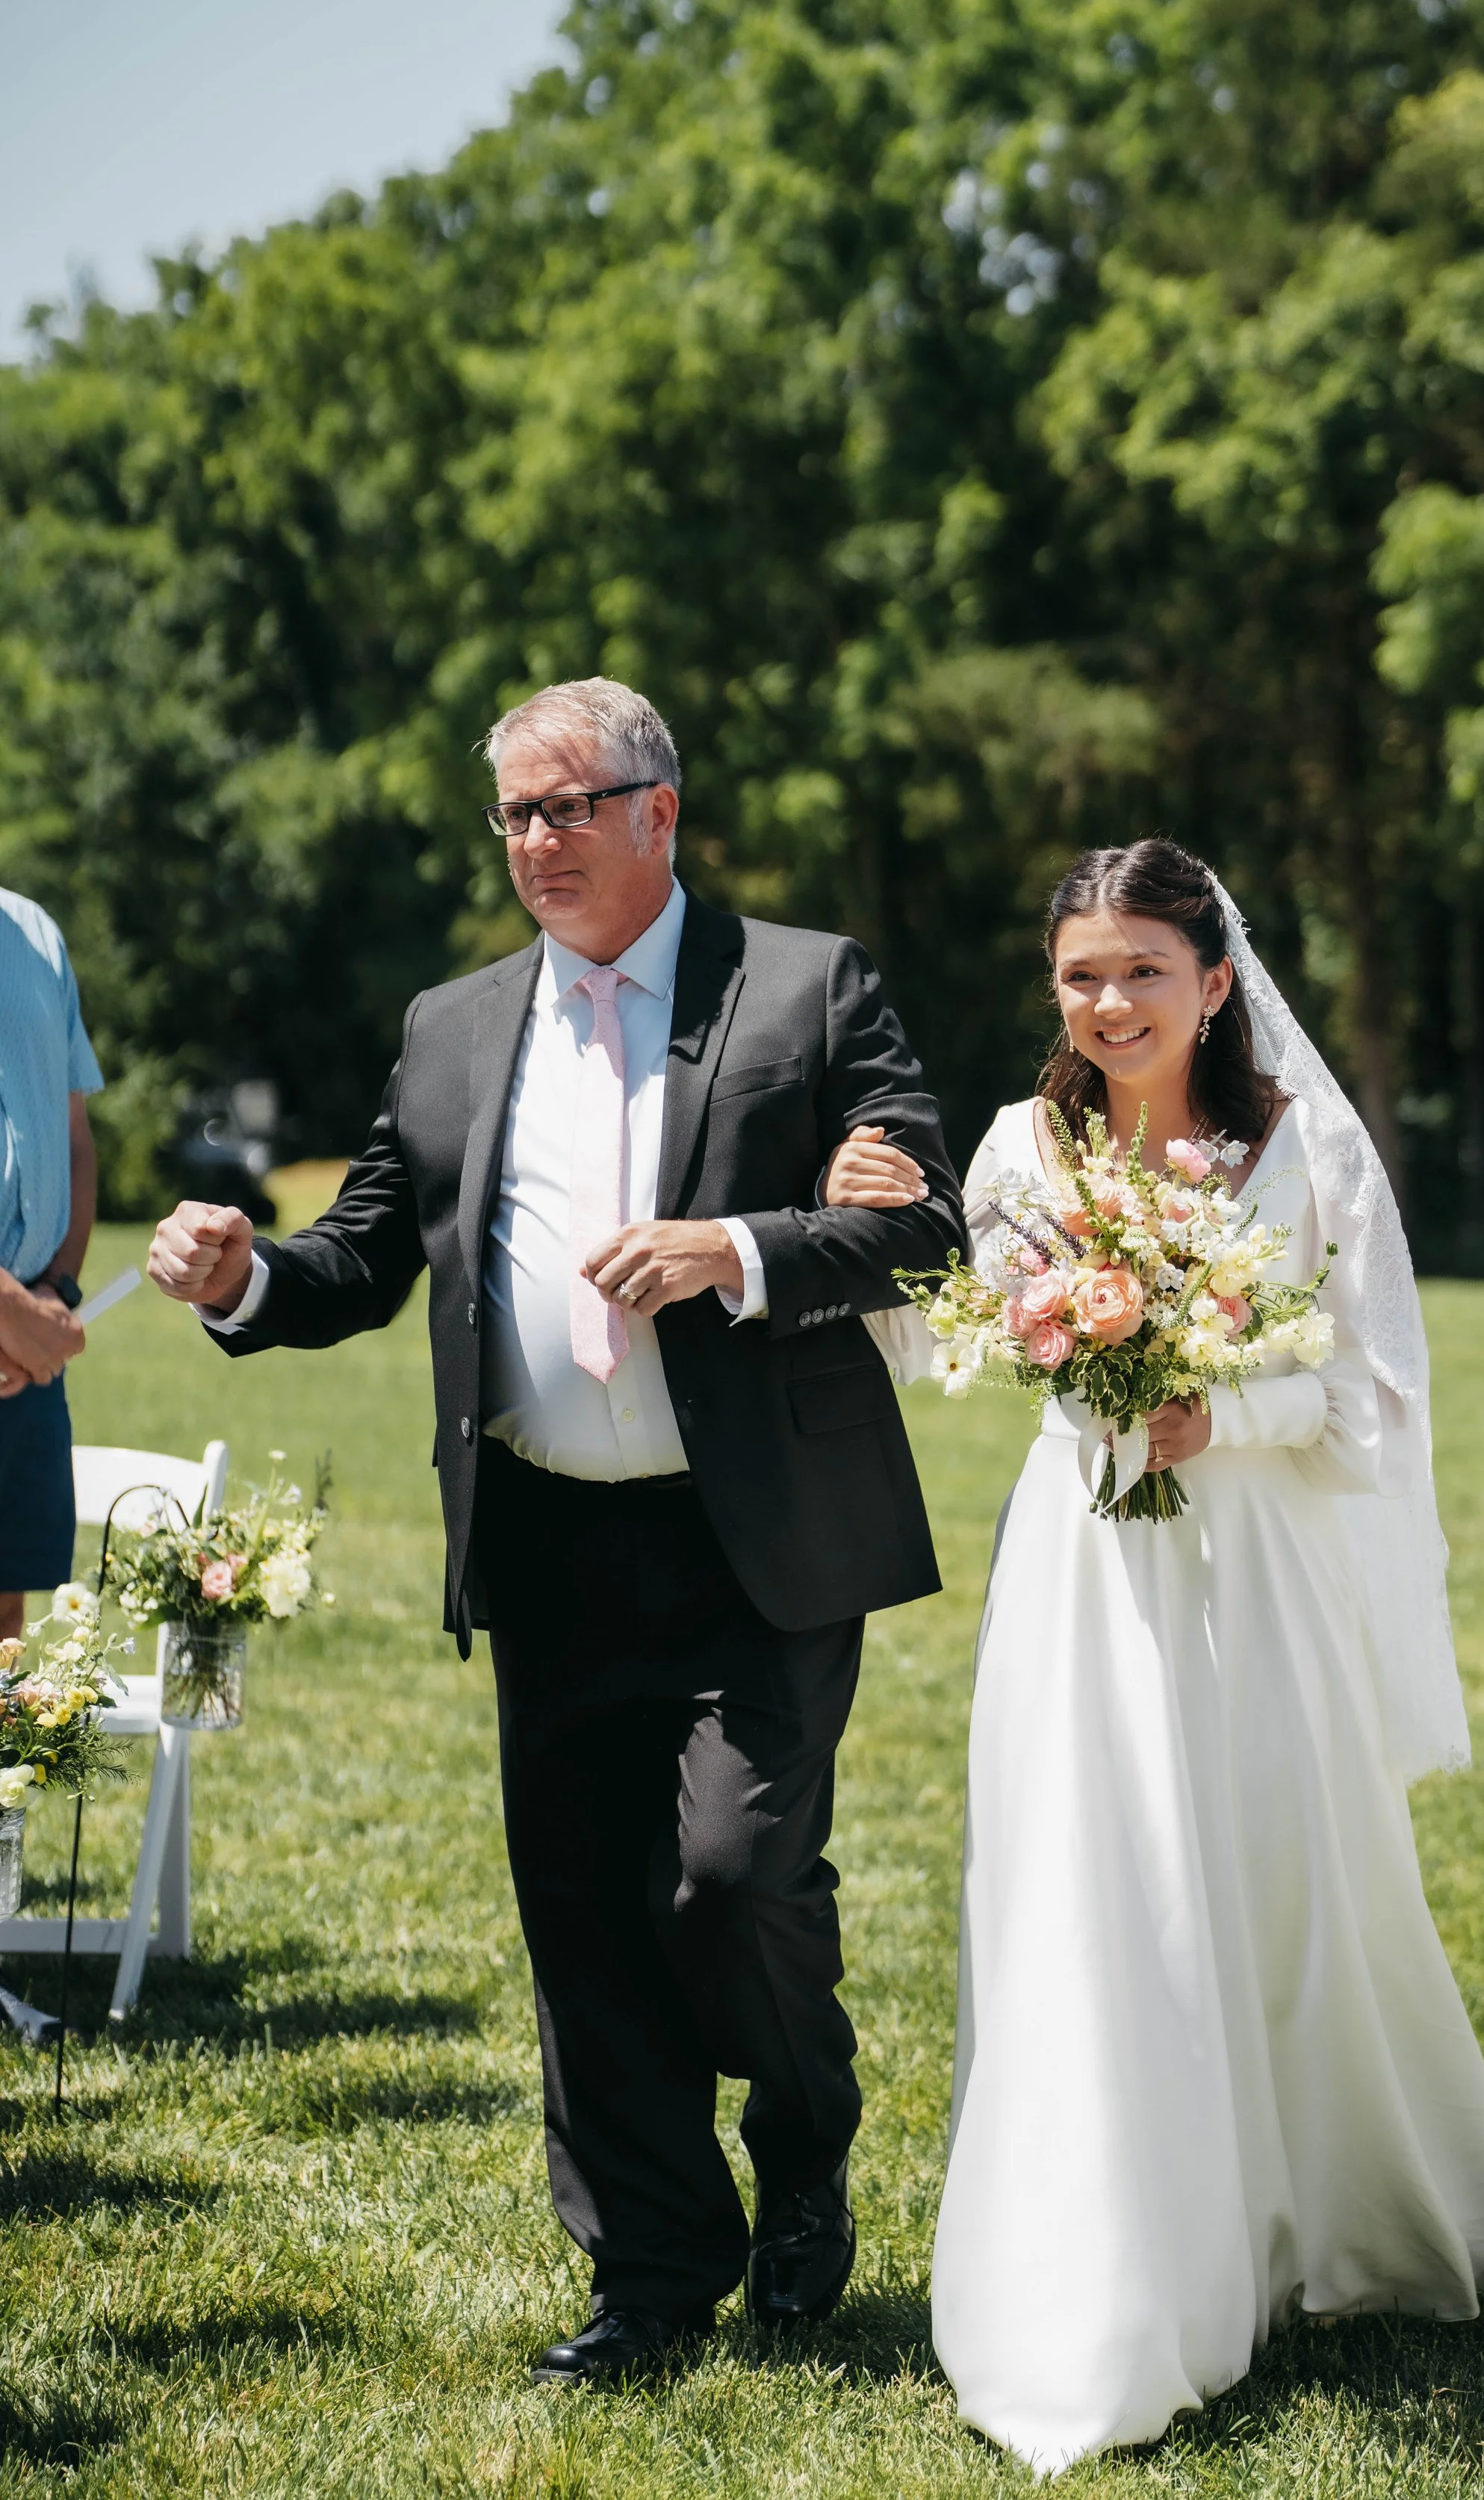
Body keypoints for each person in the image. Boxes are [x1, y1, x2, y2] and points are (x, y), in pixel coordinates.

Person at [146, 678, 963, 2386]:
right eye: (513, 814)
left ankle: (805, 2136)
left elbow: (921, 1225)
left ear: (661, 808)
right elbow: (367, 1249)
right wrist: (245, 1280)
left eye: (568, 804)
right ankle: (653, 2274)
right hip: (547, 1546)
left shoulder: (808, 988)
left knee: (730, 1879)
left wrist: (734, 1249)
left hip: (758, 1542)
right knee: (586, 1918)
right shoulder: (451, 1026)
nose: (537, 840)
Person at [827, 837, 1484, 2476]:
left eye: (1143, 972)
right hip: (1084, 1572)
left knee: (1277, 1892)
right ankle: (1108, 2275)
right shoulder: (1024, 1147)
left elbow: (1367, 1394)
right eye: (1081, 976)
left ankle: (1309, 2224)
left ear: (1214, 978)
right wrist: (877, 1228)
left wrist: (1213, 1406)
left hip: (1258, 1577)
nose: (1111, 1003)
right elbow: (941, 1340)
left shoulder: (1292, 1149)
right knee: (1095, 1889)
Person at [0, 887, 102, 1640]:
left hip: (29, 1357)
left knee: (6, 1614)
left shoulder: (34, 931)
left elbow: (74, 1140)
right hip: (24, 1333)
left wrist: (52, 1295)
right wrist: (15, 1319)